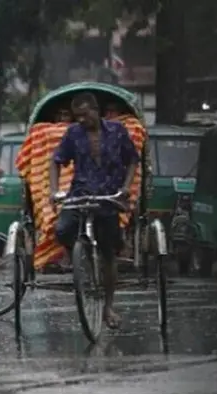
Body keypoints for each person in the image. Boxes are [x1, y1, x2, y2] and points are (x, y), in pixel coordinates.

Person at [49, 92, 139, 329]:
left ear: (96, 111)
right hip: (80, 193)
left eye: (84, 115)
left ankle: (109, 306)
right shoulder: (73, 134)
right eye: (76, 116)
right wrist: (54, 190)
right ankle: (79, 257)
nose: (80, 120)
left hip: (108, 196)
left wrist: (126, 188)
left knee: (109, 253)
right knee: (62, 228)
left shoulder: (117, 131)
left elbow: (132, 160)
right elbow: (56, 160)